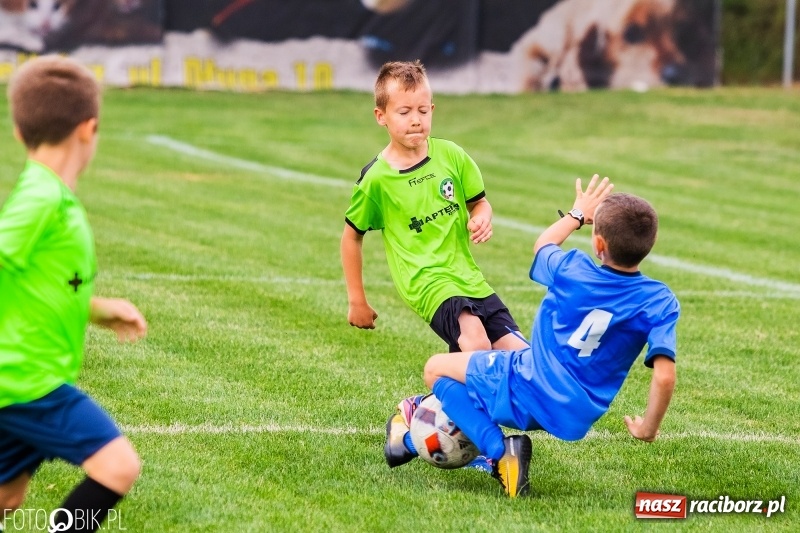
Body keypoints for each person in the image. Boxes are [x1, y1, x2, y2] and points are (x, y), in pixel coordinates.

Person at [386, 175, 680, 498]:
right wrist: (648, 428)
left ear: (598, 244)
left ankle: (498, 454)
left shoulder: (572, 267)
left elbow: (542, 245)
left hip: (528, 384)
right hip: (576, 414)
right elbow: (664, 377)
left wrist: (578, 214)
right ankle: (409, 443)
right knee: (491, 369)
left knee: (436, 369)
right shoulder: (659, 299)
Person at [341, 60, 528, 471]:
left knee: (526, 369)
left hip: (471, 279)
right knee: (477, 346)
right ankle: (496, 455)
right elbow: (351, 235)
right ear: (381, 116)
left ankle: (416, 418)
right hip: (429, 283)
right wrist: (357, 300)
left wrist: (482, 216)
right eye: (404, 112)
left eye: (423, 111)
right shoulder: (376, 180)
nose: (416, 121)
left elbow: (480, 201)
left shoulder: (451, 156)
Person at [0, 56, 147, 532]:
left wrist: (96, 309)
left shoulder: (53, 196)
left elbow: (39, 287)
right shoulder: (42, 198)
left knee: (7, 496)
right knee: (118, 466)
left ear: (20, 133)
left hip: (23, 378)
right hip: (26, 382)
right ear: (90, 128)